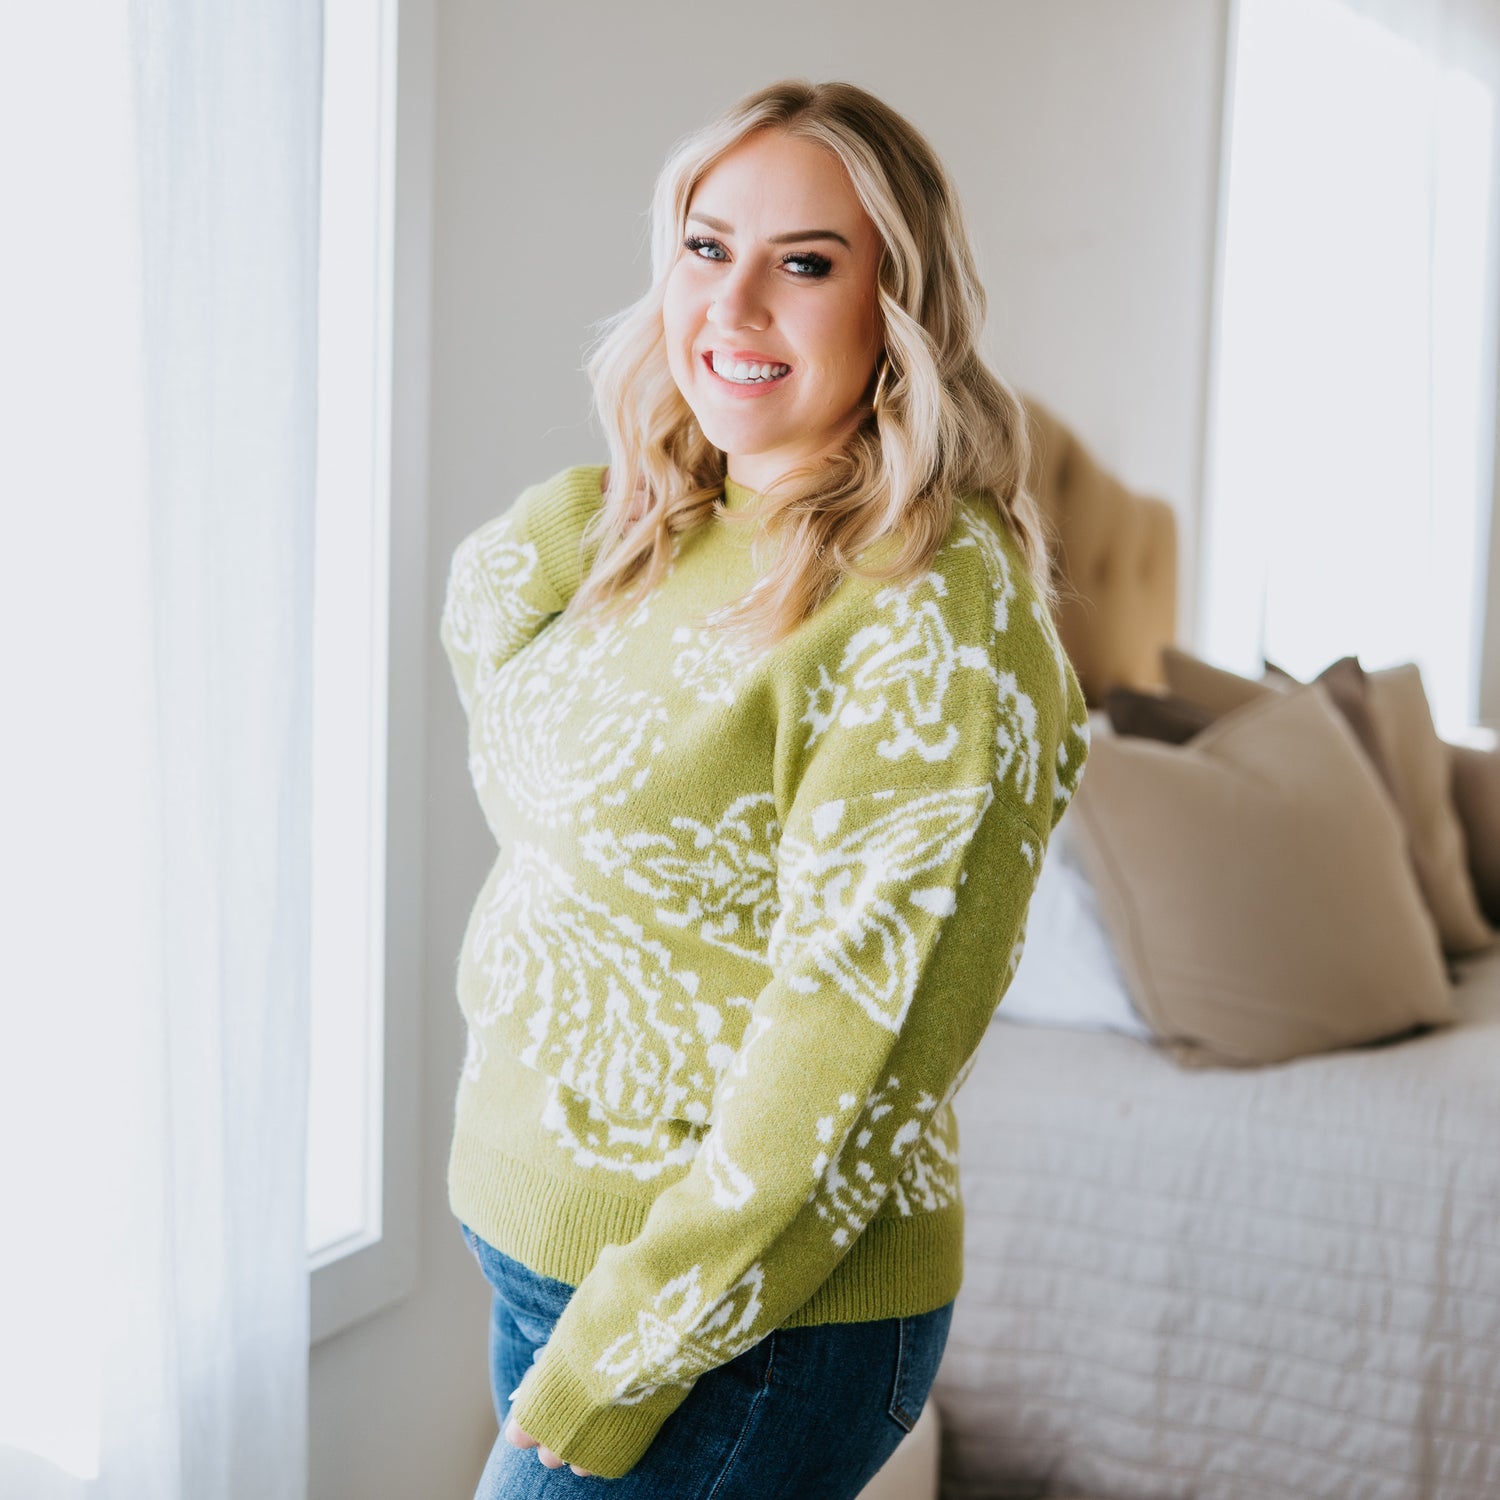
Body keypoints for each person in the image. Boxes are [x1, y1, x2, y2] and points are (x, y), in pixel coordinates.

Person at [439, 77, 1091, 1498]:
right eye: (704, 246)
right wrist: (608, 500)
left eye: (803, 263)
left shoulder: (929, 608)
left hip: (738, 1331)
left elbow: (852, 1048)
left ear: (897, 308)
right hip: (551, 1262)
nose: (732, 305)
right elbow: (515, 705)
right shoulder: (670, 523)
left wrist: (626, 1349)